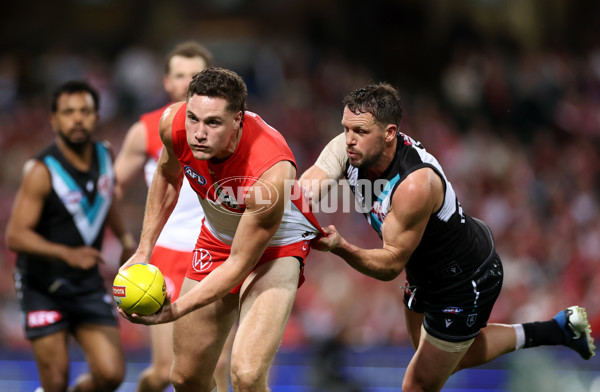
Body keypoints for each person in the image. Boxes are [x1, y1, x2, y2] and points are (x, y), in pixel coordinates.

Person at [300, 83, 596, 392]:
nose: (349, 139)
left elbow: (389, 265)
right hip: (424, 271)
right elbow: (306, 188)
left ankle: (555, 331)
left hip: (464, 280)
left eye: (359, 131)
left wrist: (341, 247)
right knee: (435, 356)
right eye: (346, 128)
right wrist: (279, 209)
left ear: (389, 133)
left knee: (418, 383)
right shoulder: (349, 149)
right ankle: (558, 330)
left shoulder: (415, 184)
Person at [118, 67, 322, 392]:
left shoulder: (271, 171)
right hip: (217, 238)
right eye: (194, 118)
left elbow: (240, 264)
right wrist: (144, 250)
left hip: (275, 249)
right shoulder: (174, 124)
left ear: (238, 120)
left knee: (247, 374)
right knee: (186, 378)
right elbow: (168, 176)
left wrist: (175, 310)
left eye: (213, 123)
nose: (199, 132)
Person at [114, 40, 232, 392]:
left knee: (219, 364)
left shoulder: (225, 127)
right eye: (179, 75)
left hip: (214, 252)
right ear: (166, 82)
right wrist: (122, 238)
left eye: (194, 75)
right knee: (167, 371)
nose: (185, 83)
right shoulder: (148, 129)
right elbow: (111, 189)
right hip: (165, 256)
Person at [5, 80, 135, 392]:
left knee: (111, 374)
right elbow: (15, 236)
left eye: (85, 111)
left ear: (96, 116)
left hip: (86, 284)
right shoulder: (41, 170)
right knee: (55, 382)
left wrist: (126, 240)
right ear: (54, 120)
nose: (77, 118)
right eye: (68, 112)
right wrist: (68, 253)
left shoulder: (105, 154)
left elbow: (106, 199)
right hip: (42, 285)